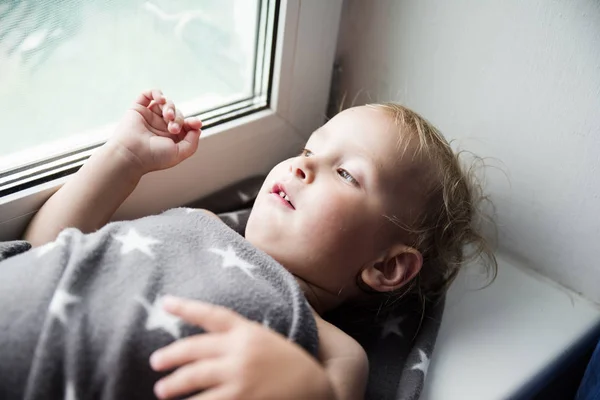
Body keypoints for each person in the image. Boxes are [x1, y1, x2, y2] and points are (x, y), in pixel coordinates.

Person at [5, 89, 495, 400]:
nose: (301, 166)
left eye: (346, 173)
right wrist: (123, 157)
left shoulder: (338, 351)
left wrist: (300, 386)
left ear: (386, 269)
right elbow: (45, 249)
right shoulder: (199, 221)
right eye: (309, 150)